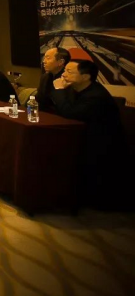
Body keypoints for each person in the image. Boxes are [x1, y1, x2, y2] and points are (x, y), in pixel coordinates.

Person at [51, 60, 128, 209]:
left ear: (85, 77)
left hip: (102, 145)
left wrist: (59, 90)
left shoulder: (96, 96)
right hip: (82, 136)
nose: (64, 75)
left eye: (69, 72)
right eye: (64, 70)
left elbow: (69, 113)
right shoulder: (75, 88)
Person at [36, 47, 70, 114]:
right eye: (44, 58)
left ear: (60, 62)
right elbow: (39, 100)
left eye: (48, 58)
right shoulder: (45, 77)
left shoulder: (68, 79)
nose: (44, 61)